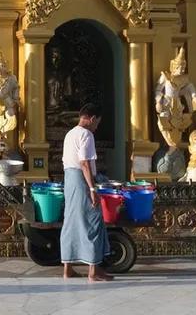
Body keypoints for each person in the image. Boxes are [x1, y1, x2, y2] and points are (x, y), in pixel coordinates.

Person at [61, 103, 113, 282]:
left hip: (69, 180)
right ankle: (93, 271)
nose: (97, 126)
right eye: (97, 122)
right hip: (82, 180)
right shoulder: (86, 134)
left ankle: (68, 269)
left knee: (71, 221)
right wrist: (92, 189)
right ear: (91, 119)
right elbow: (84, 163)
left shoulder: (70, 134)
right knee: (93, 220)